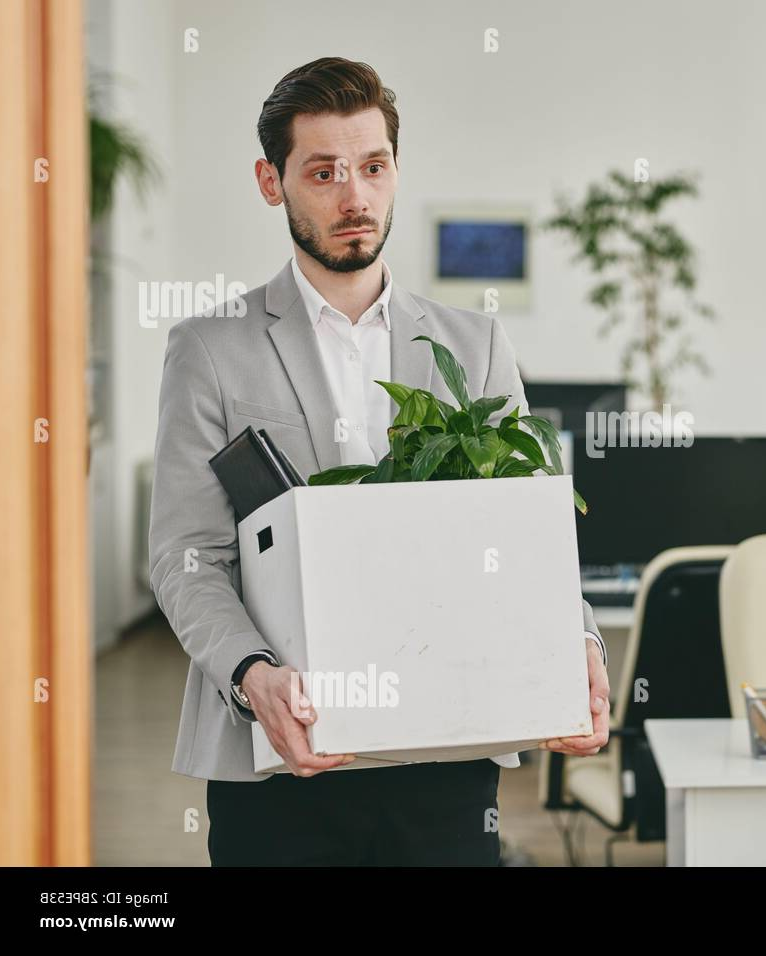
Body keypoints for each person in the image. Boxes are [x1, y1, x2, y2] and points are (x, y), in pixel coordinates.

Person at [148, 57, 610, 866]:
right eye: (322, 172)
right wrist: (253, 676)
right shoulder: (209, 351)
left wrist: (581, 646)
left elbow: (524, 534)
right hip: (280, 760)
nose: (354, 196)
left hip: (445, 752)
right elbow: (187, 557)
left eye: (372, 167)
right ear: (272, 181)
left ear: (396, 170)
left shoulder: (477, 344)